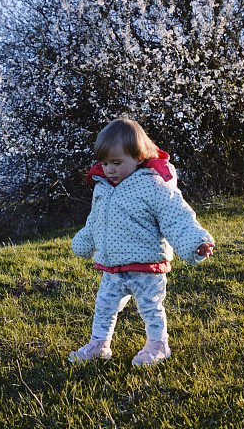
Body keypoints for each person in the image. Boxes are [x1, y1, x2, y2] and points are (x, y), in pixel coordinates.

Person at [69, 118, 215, 367]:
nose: (109, 170)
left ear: (139, 156)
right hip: (112, 268)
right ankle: (99, 344)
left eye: (116, 163)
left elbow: (176, 217)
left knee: (150, 307)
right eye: (104, 163)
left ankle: (158, 344)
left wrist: (195, 241)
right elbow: (97, 219)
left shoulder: (154, 185)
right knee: (104, 307)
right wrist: (84, 240)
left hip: (146, 266)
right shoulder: (103, 187)